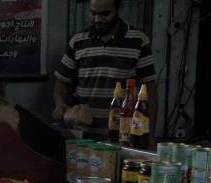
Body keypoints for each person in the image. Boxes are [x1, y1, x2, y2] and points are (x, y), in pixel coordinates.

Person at [52, 0, 158, 148]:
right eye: (93, 13)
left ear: (119, 9)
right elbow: (61, 82)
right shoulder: (78, 41)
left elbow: (150, 89)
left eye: (105, 14)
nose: (97, 19)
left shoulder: (138, 41)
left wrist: (150, 134)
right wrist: (60, 105)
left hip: (123, 135)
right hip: (83, 135)